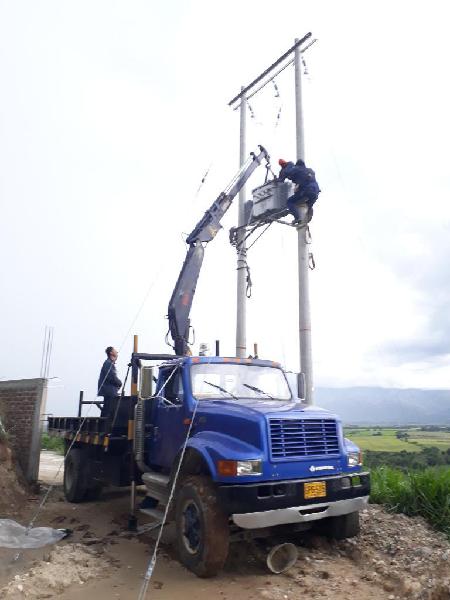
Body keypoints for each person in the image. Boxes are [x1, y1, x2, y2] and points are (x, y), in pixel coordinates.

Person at [278, 158, 320, 223]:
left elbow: (287, 173)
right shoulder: (310, 170)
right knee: (308, 204)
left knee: (290, 202)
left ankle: (297, 218)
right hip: (315, 192)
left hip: (305, 191)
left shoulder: (296, 169)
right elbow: (306, 178)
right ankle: (308, 211)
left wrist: (281, 177)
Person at [97, 346, 122, 419]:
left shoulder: (109, 363)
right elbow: (111, 377)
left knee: (107, 408)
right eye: (115, 350)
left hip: (109, 390)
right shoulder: (108, 363)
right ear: (111, 352)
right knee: (108, 409)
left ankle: (103, 424)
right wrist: (119, 383)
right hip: (109, 390)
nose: (117, 352)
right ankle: (104, 426)